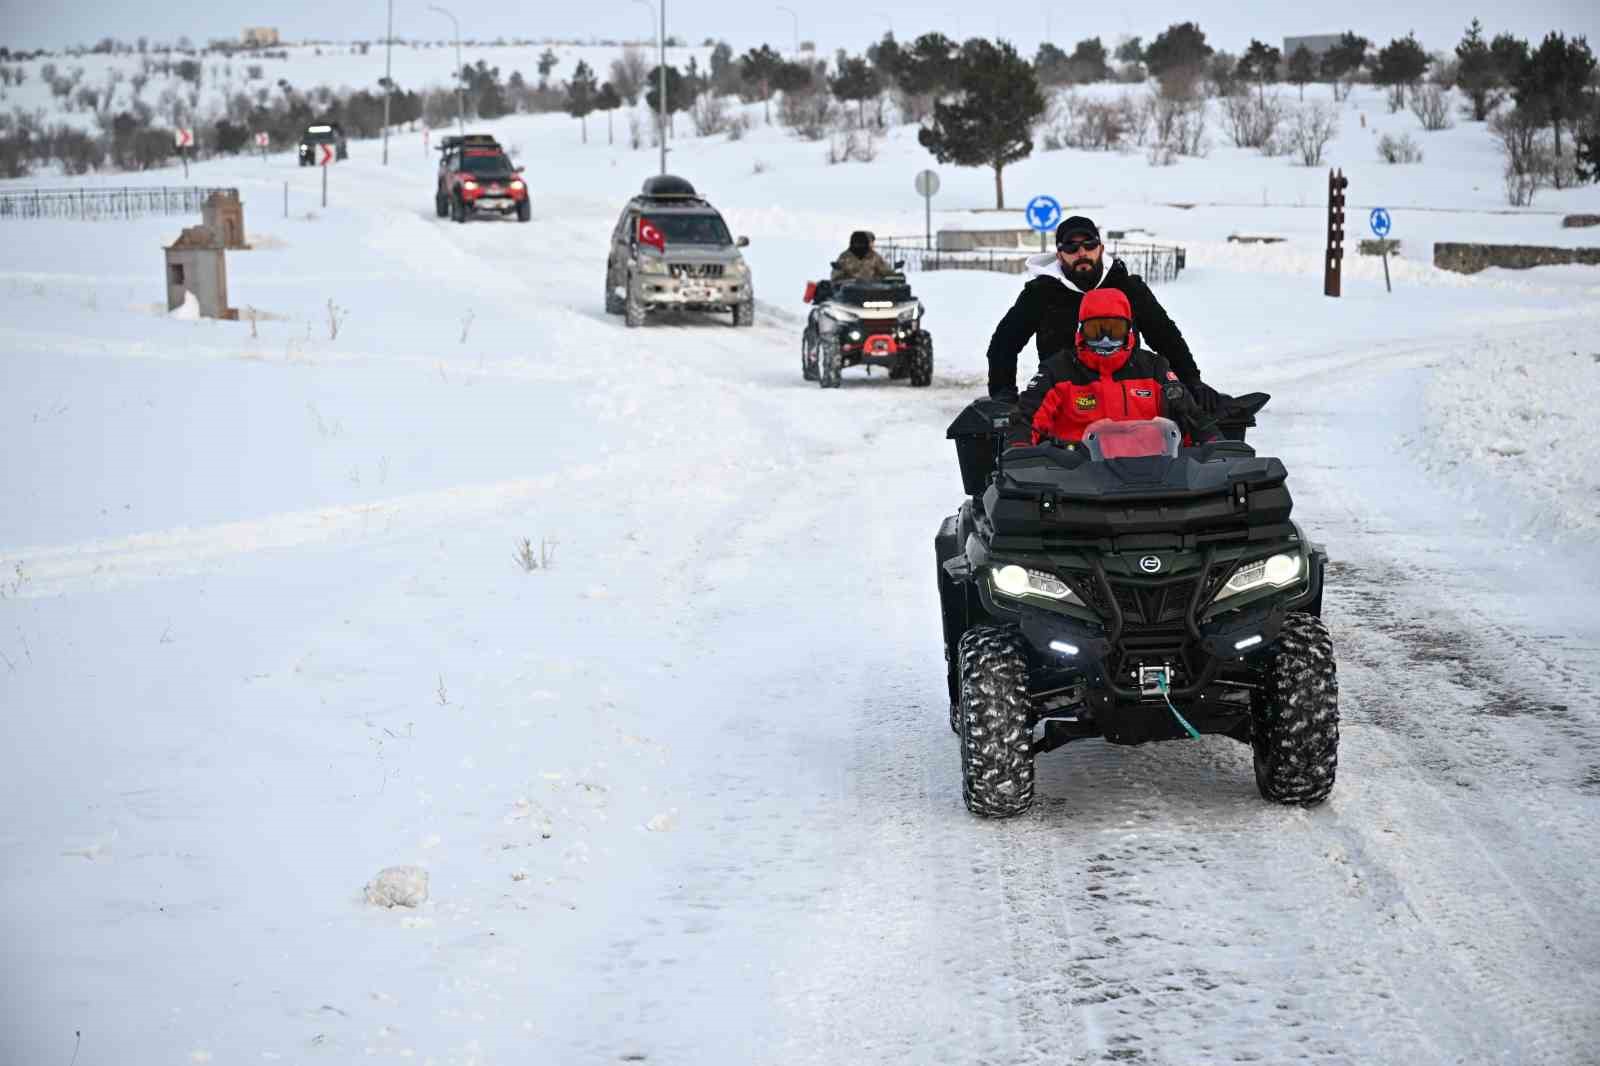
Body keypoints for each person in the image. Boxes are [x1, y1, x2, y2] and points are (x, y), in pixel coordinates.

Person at [986, 215, 1205, 403]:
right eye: (1071, 247)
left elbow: (1166, 336)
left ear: (1101, 249)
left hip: (1128, 396)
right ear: (1060, 254)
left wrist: (1191, 381)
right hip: (1062, 399)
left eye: (1089, 245)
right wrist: (1003, 394)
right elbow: (1003, 344)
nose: (1082, 252)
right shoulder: (1041, 292)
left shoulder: (1127, 287)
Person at [1006, 287, 1217, 448]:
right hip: (1075, 483)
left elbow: (1191, 417)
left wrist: (1215, 446)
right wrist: (1020, 452)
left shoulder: (1154, 369)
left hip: (1152, 477)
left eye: (1114, 329)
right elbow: (1026, 418)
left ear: (1129, 330)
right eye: (1095, 330)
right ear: (1081, 331)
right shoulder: (1057, 371)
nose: (1105, 339)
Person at [831, 230, 895, 283]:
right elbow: (836, 277)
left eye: (862, 242)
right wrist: (846, 280)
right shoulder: (845, 257)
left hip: (873, 291)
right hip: (851, 291)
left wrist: (892, 274)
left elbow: (886, 271)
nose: (859, 245)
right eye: (857, 242)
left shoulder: (874, 256)